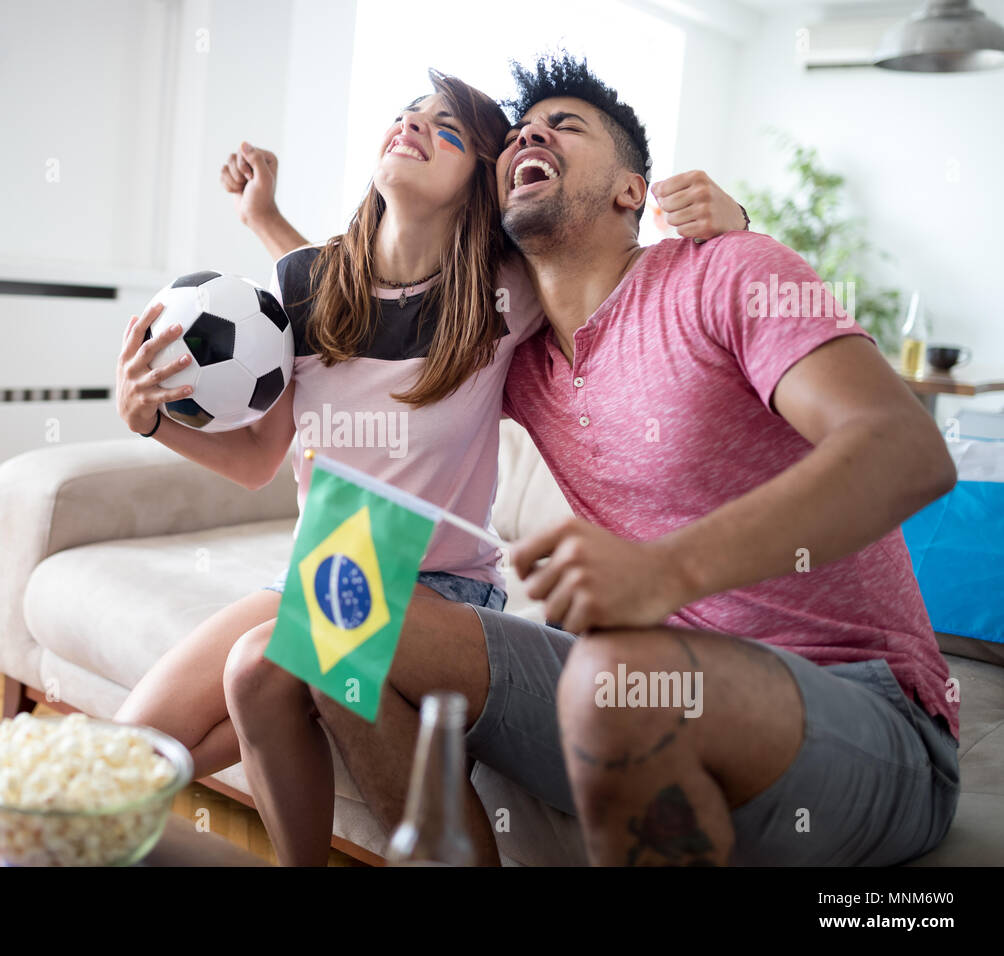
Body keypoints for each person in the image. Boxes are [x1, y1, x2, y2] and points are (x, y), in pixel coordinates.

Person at [224, 52, 960, 866]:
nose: (531, 133)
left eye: (565, 125)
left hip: (868, 713)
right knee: (336, 621)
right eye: (517, 136)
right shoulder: (518, 356)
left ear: (631, 190)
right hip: (657, 679)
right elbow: (363, 304)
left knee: (617, 683)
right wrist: (264, 228)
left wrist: (667, 572)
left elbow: (907, 451)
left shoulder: (726, 271)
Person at [113, 68, 747, 864]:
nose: (413, 125)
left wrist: (731, 225)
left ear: (480, 182)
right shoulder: (303, 284)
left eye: (446, 129)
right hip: (330, 568)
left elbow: (620, 278)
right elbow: (254, 461)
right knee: (131, 744)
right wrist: (148, 424)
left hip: (440, 587)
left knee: (254, 671)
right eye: (408, 113)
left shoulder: (504, 292)